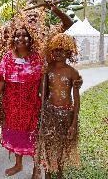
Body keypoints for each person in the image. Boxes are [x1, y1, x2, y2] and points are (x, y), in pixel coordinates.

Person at [0, 18, 43, 176]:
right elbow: (0, 80)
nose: (20, 38)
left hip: (31, 104)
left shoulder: (37, 58)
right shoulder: (7, 57)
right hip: (12, 105)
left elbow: (43, 82)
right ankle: (18, 164)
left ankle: (36, 167)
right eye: (17, 35)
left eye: (24, 35)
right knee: (16, 134)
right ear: (12, 39)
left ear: (31, 38)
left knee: (34, 135)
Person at [36, 33, 81, 179]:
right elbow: (42, 93)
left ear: (69, 52)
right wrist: (43, 75)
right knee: (48, 144)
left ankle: (60, 172)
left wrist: (73, 123)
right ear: (51, 51)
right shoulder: (48, 69)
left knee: (62, 145)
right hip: (50, 113)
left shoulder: (72, 72)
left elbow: (76, 98)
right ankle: (48, 172)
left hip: (66, 114)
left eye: (62, 50)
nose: (58, 53)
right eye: (55, 50)